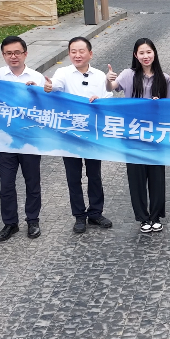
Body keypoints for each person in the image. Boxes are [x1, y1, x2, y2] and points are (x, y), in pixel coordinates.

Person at [0, 35, 46, 242]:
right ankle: (10, 223)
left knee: (32, 182)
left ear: (25, 54)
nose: (13, 56)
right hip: (5, 140)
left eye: (17, 52)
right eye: (8, 53)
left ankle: (33, 220)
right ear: (3, 55)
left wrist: (37, 91)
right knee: (6, 184)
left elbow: (47, 105)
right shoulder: (0, 74)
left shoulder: (36, 76)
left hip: (29, 139)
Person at [43, 36, 113, 234]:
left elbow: (109, 99)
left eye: (81, 51)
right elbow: (54, 85)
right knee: (73, 177)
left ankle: (96, 213)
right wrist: (48, 86)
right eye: (73, 51)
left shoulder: (99, 76)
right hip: (70, 135)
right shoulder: (63, 73)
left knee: (94, 175)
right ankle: (79, 216)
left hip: (92, 134)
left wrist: (100, 100)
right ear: (69, 54)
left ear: (90, 54)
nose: (77, 55)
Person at [106, 38, 170, 234]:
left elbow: (169, 107)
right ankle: (143, 218)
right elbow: (111, 87)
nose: (145, 56)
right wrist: (108, 80)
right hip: (133, 136)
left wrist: (159, 105)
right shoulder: (128, 75)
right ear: (136, 55)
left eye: (149, 52)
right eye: (141, 53)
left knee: (157, 177)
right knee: (137, 179)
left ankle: (156, 216)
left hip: (156, 137)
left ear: (154, 53)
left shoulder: (164, 78)